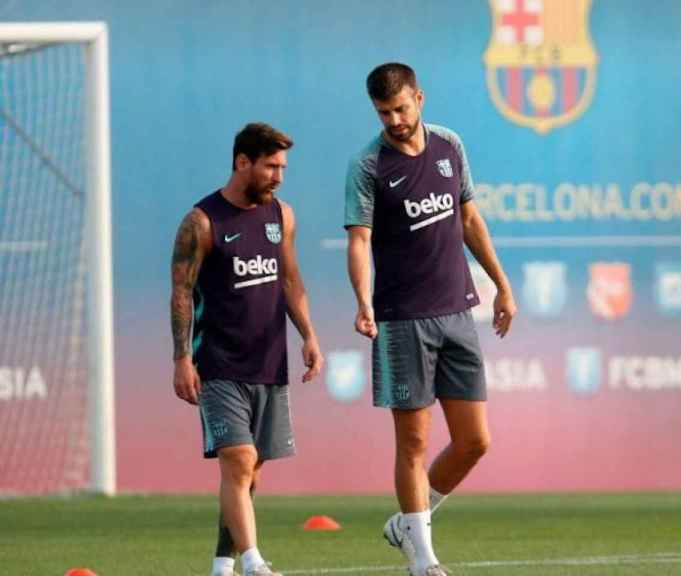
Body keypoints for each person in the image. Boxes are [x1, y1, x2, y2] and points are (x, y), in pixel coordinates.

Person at [344, 62, 516, 576]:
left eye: (400, 107)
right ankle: (422, 560)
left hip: (458, 312)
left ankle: (408, 523)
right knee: (413, 443)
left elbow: (468, 218)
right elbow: (359, 239)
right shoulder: (368, 165)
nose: (394, 119)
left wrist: (502, 285)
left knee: (474, 442)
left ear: (420, 97)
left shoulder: (449, 146)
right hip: (401, 320)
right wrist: (363, 301)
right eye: (383, 112)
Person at [170, 122, 323, 576]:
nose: (279, 176)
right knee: (240, 459)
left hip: (269, 362)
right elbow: (181, 291)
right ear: (242, 162)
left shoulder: (282, 217)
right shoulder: (201, 222)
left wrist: (308, 334)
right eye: (271, 166)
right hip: (218, 364)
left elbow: (290, 280)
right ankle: (255, 563)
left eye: (283, 167)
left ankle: (222, 564)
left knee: (249, 474)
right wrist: (181, 358)